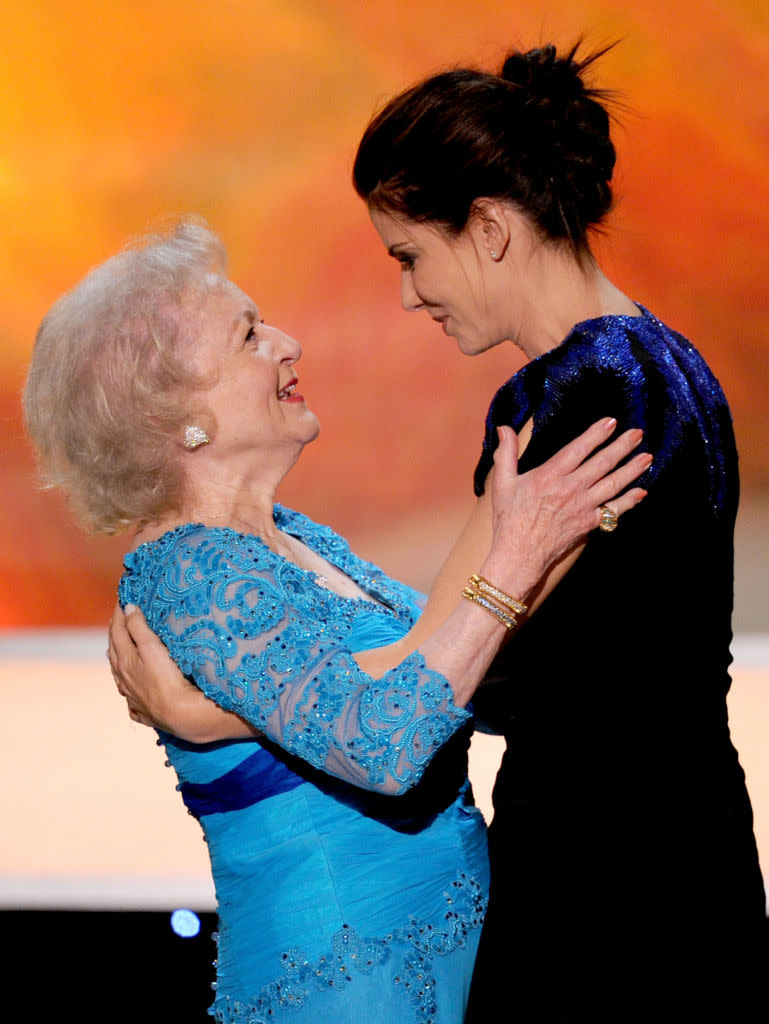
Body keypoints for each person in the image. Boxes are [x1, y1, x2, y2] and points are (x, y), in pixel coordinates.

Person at [23, 218, 649, 1024]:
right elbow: (385, 746)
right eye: (249, 335)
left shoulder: (299, 540)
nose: (288, 343)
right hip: (343, 996)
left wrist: (213, 715)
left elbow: (468, 685)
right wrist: (515, 557)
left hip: (458, 979)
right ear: (174, 413)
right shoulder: (191, 573)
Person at [350, 41, 768, 1024]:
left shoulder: (570, 392)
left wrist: (221, 684)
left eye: (410, 255)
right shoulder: (675, 364)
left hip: (594, 885)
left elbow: (443, 668)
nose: (409, 294)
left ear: (489, 228)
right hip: (699, 856)